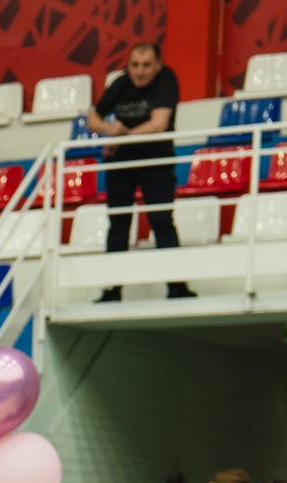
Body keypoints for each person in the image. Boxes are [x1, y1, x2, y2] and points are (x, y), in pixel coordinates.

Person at [87, 41, 193, 302]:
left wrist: (121, 139)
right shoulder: (121, 82)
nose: (140, 71)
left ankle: (176, 287)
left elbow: (159, 123)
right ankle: (113, 289)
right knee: (118, 225)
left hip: (156, 161)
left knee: (161, 220)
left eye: (146, 65)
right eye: (134, 65)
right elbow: (92, 119)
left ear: (158, 65)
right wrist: (110, 130)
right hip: (121, 164)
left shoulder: (166, 79)